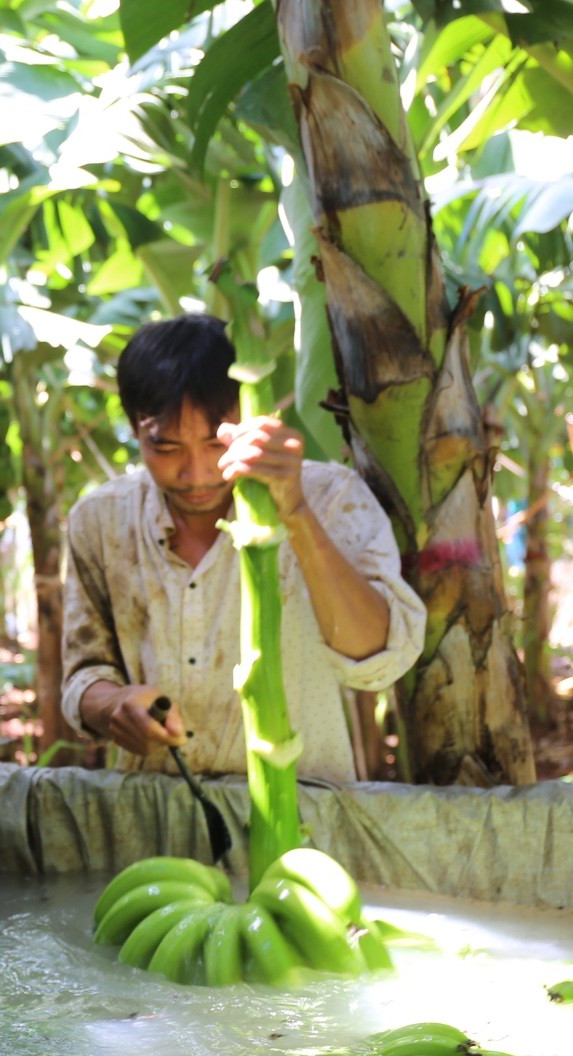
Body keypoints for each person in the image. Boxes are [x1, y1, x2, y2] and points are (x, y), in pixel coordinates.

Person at [61, 313, 425, 781]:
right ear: (135, 429)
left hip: (306, 815)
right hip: (157, 816)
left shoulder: (332, 499)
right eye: (167, 448)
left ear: (252, 417)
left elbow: (378, 659)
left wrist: (294, 511)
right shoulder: (100, 521)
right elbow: (82, 678)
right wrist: (113, 704)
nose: (196, 473)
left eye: (216, 443)